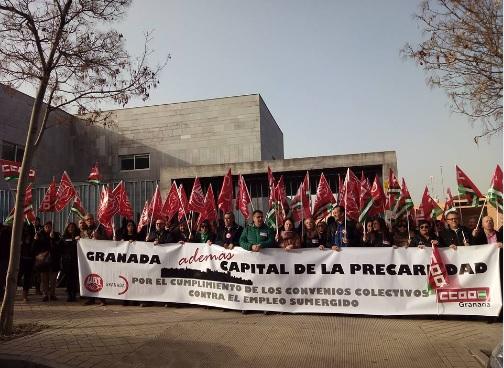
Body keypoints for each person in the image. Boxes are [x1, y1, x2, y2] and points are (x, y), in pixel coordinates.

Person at [33, 221, 61, 302]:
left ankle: (52, 294)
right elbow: (34, 248)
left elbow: (56, 248)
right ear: (44, 227)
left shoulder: (56, 235)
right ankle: (45, 294)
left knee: (53, 280)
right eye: (46, 227)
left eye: (49, 227)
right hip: (43, 261)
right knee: (44, 279)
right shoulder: (39, 235)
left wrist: (52, 239)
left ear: (52, 227)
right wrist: (35, 240)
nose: (48, 228)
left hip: (54, 260)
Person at [61, 222, 80, 302]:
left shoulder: (78, 236)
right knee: (68, 278)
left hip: (76, 260)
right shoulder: (64, 236)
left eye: (72, 227)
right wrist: (73, 240)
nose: (71, 228)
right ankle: (69, 294)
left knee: (75, 278)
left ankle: (74, 294)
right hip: (67, 261)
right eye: (69, 227)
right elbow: (64, 243)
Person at [18, 225, 35, 302]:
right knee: (17, 277)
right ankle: (11, 293)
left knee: (27, 279)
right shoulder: (19, 238)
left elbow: (35, 249)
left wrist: (34, 241)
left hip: (30, 260)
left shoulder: (33, 239)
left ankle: (25, 295)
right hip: (21, 260)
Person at [0, 223, 11, 299]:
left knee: (2, 277)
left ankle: (1, 294)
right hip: (4, 257)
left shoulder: (5, 231)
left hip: (3, 257)